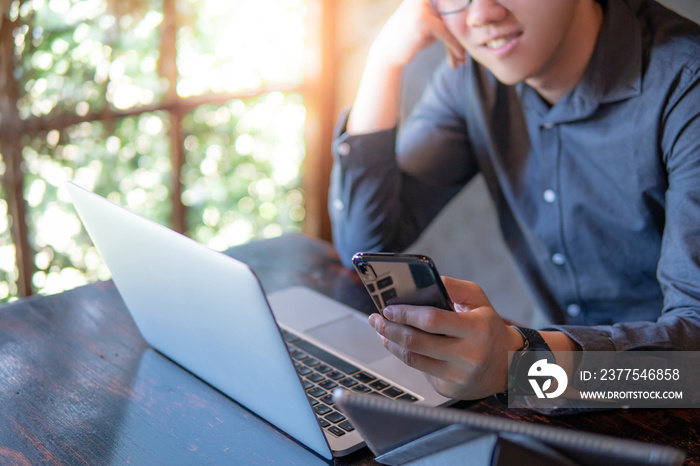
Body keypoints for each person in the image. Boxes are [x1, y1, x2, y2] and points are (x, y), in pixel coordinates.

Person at [328, 0, 700, 401]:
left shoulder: (686, 85)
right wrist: (383, 62)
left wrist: (521, 368)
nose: (481, 14)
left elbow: (689, 368)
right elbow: (367, 243)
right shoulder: (473, 78)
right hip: (548, 382)